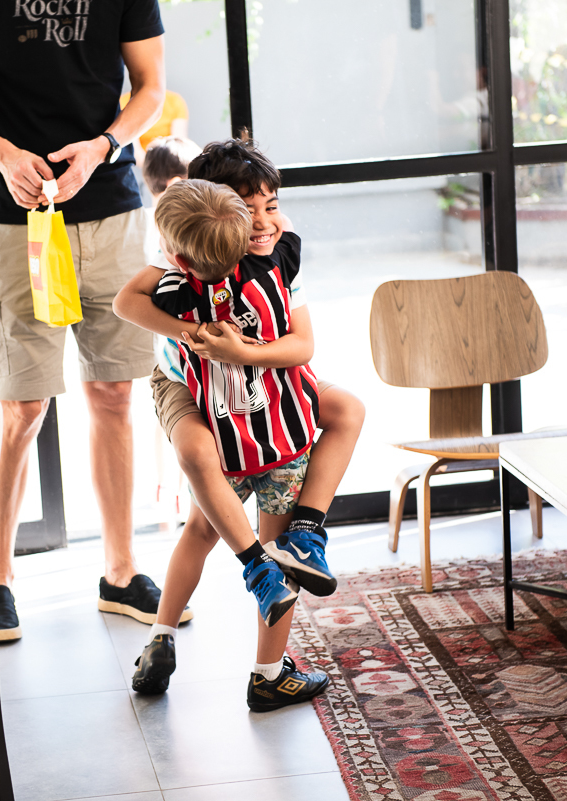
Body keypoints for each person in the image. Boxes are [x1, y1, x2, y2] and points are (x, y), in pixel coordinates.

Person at [0, 0, 174, 641]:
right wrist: (4, 156)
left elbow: (150, 86)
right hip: (19, 224)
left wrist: (105, 146)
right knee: (21, 406)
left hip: (112, 214)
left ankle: (120, 572)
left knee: (115, 394)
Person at [116, 140, 365, 709]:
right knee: (201, 494)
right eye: (248, 209)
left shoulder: (277, 254)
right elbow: (126, 304)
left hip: (267, 390)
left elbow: (301, 345)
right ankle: (165, 635)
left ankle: (274, 648)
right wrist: (191, 336)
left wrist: (246, 354)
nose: (262, 221)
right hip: (188, 386)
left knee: (342, 415)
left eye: (270, 206)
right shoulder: (182, 254)